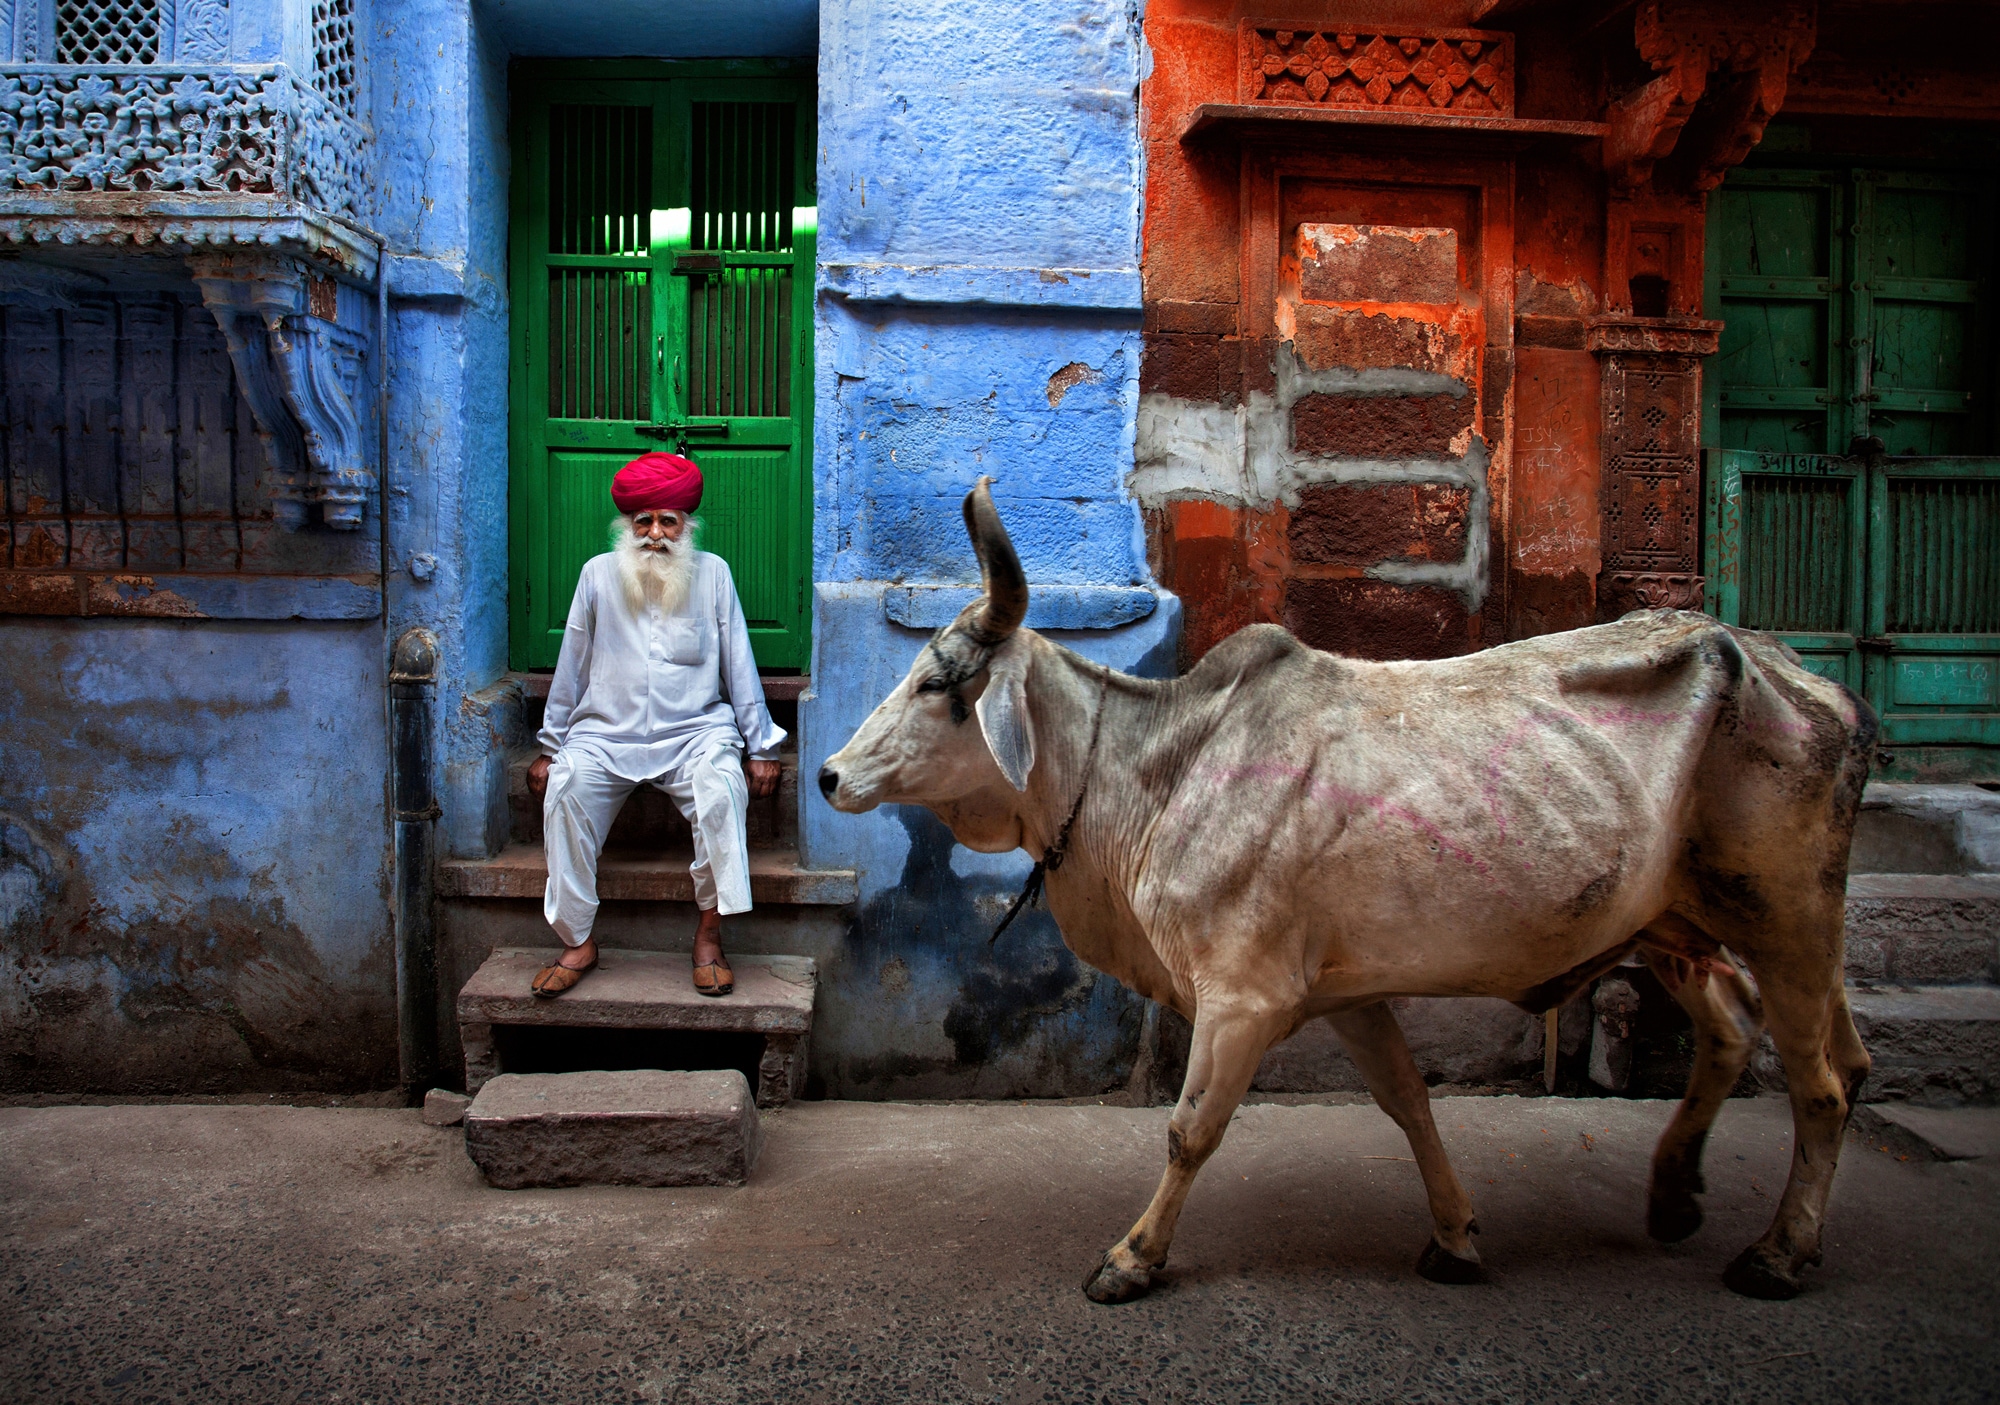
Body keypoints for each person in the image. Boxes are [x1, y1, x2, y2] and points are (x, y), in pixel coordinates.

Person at [526, 451, 785, 998]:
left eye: (668, 521)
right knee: (567, 789)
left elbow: (739, 660)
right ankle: (578, 941)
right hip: (604, 732)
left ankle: (710, 938)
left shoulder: (713, 574)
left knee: (720, 788)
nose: (655, 534)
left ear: (686, 527)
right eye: (643, 521)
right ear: (627, 527)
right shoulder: (597, 575)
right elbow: (571, 661)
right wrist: (550, 746)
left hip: (695, 733)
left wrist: (761, 746)